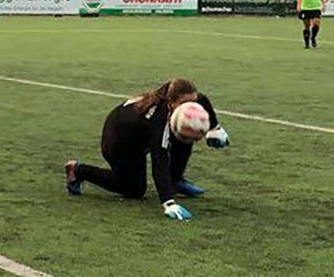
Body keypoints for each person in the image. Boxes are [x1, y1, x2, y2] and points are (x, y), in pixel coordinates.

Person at [64, 78, 229, 220]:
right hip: (118, 142)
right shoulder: (158, 121)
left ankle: (175, 180)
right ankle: (78, 170)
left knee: (185, 131)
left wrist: (215, 128)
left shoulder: (184, 101)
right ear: (171, 103)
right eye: (186, 103)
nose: (191, 107)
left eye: (193, 102)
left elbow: (203, 101)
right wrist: (168, 203)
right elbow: (159, 161)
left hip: (137, 135)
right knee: (134, 189)